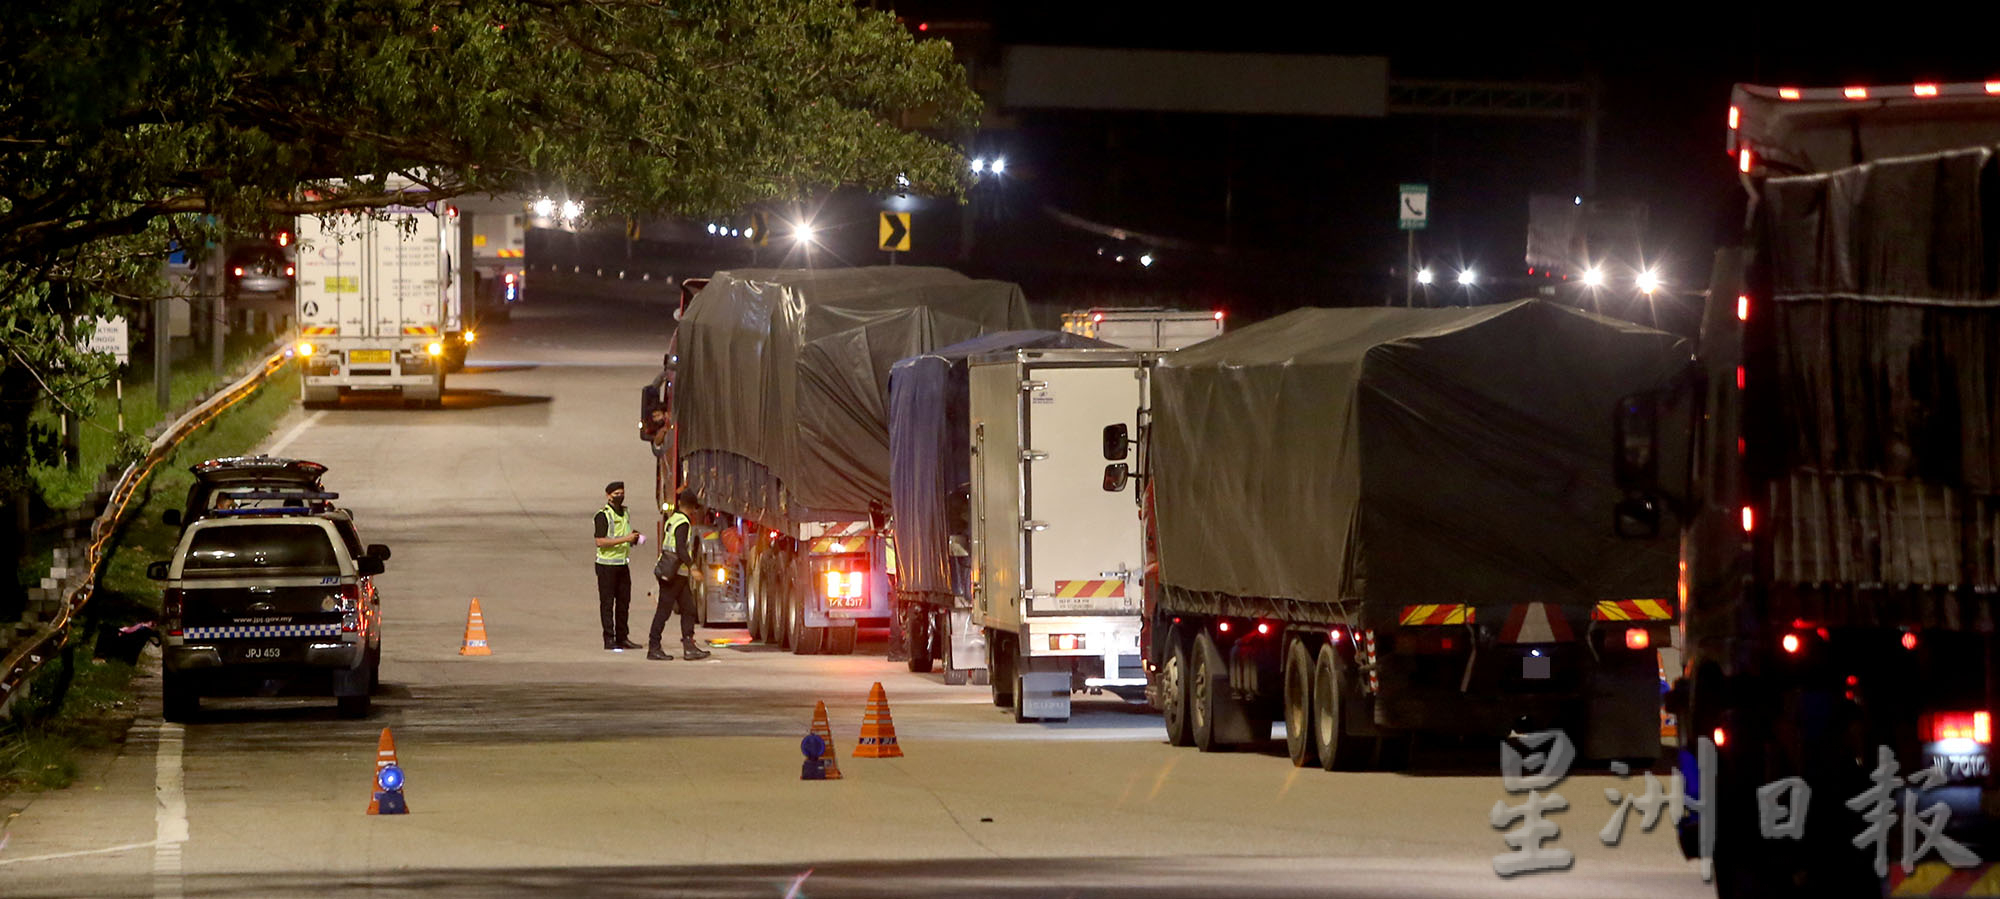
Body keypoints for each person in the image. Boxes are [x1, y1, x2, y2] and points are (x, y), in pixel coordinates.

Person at [648, 490, 712, 661]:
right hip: (674, 574)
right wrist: (693, 567)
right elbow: (681, 549)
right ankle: (654, 647)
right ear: (691, 507)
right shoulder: (683, 523)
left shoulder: (673, 519)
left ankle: (689, 646)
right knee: (664, 611)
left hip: (673, 572)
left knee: (689, 609)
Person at [592, 481, 643, 651]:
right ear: (608, 496)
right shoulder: (602, 515)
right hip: (606, 566)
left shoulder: (625, 512)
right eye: (616, 494)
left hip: (622, 564)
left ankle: (623, 637)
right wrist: (625, 539)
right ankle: (609, 639)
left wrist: (633, 539)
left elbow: (623, 533)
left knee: (623, 603)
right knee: (607, 604)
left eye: (622, 493)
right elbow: (600, 541)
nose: (620, 497)